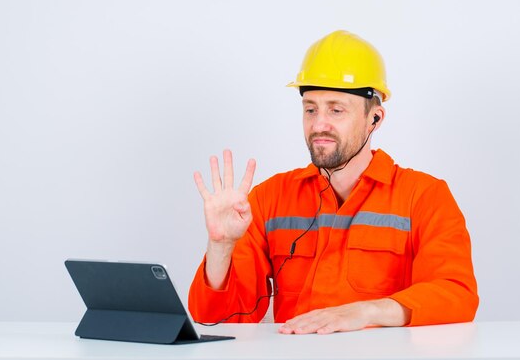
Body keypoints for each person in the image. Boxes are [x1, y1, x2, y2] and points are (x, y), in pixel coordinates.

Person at [188, 30, 479, 334]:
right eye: (310, 109)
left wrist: (367, 311)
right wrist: (220, 247)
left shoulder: (424, 197)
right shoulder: (268, 200)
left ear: (375, 118)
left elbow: (457, 294)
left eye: (336, 110)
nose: (318, 125)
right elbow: (220, 322)